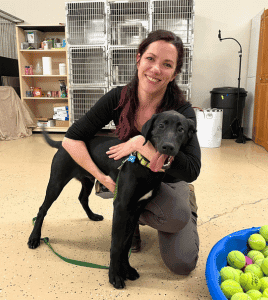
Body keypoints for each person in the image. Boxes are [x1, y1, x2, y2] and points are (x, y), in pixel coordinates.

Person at [62, 30, 201, 275]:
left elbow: (191, 169)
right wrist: (101, 177)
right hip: (132, 177)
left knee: (182, 263)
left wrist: (139, 143)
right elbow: (71, 139)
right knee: (119, 193)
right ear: (139, 59)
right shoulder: (118, 97)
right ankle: (130, 216)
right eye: (150, 59)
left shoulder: (182, 112)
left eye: (167, 64)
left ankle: (179, 204)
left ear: (175, 73)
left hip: (169, 180)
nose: (156, 69)